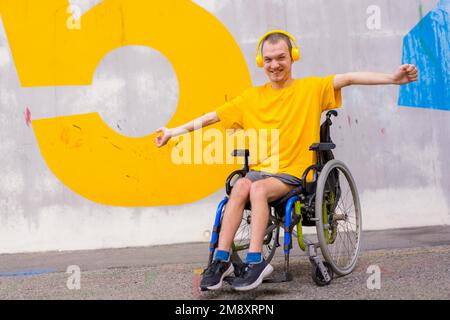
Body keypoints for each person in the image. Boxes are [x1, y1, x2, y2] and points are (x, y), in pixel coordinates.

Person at [155, 30, 418, 291]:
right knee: (240, 186)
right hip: (262, 172)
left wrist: (393, 79)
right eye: (268, 59)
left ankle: (256, 262)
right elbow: (212, 117)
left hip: (295, 174)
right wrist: (172, 132)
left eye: (280, 57)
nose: (274, 65)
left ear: (293, 57)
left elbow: (348, 78)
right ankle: (221, 260)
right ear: (261, 62)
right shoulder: (251, 98)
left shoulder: (310, 89)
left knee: (257, 187)